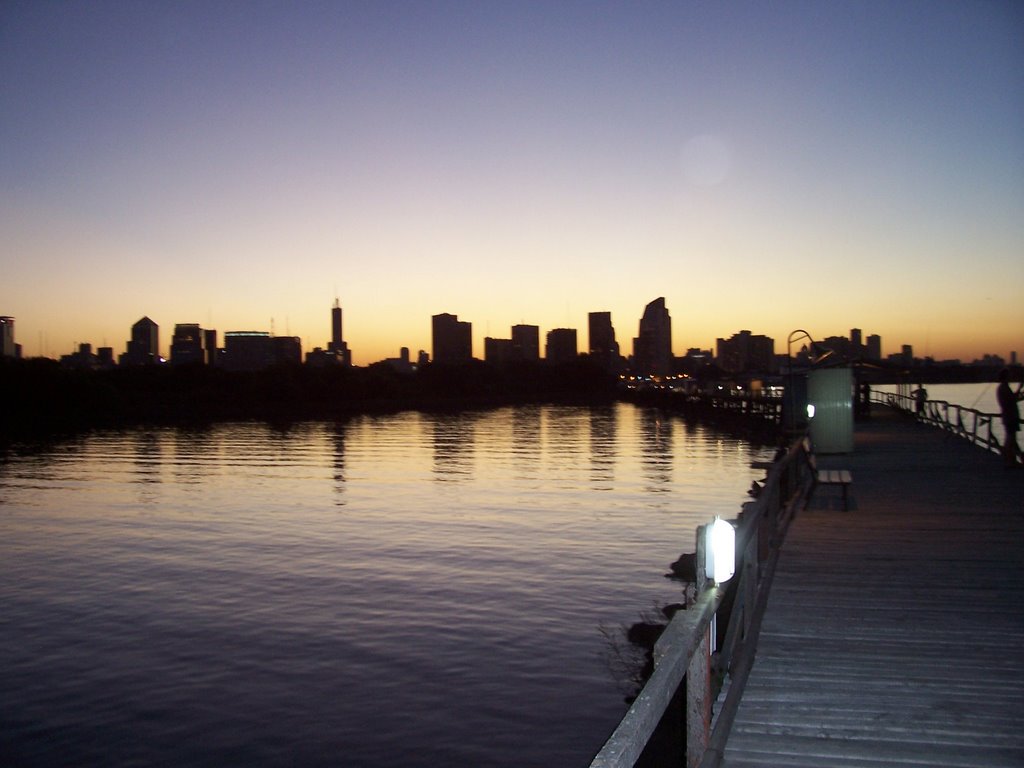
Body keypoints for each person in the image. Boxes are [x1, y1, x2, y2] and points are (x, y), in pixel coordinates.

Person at [996, 369, 1024, 468]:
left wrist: (1020, 394)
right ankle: (1009, 461)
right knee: (1010, 439)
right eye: (1009, 375)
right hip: (1010, 416)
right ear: (1005, 377)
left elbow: (1012, 399)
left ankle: (1011, 460)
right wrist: (1020, 389)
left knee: (1011, 439)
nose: (1011, 376)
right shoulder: (1004, 388)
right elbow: (1012, 400)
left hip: (1008, 416)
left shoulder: (1002, 387)